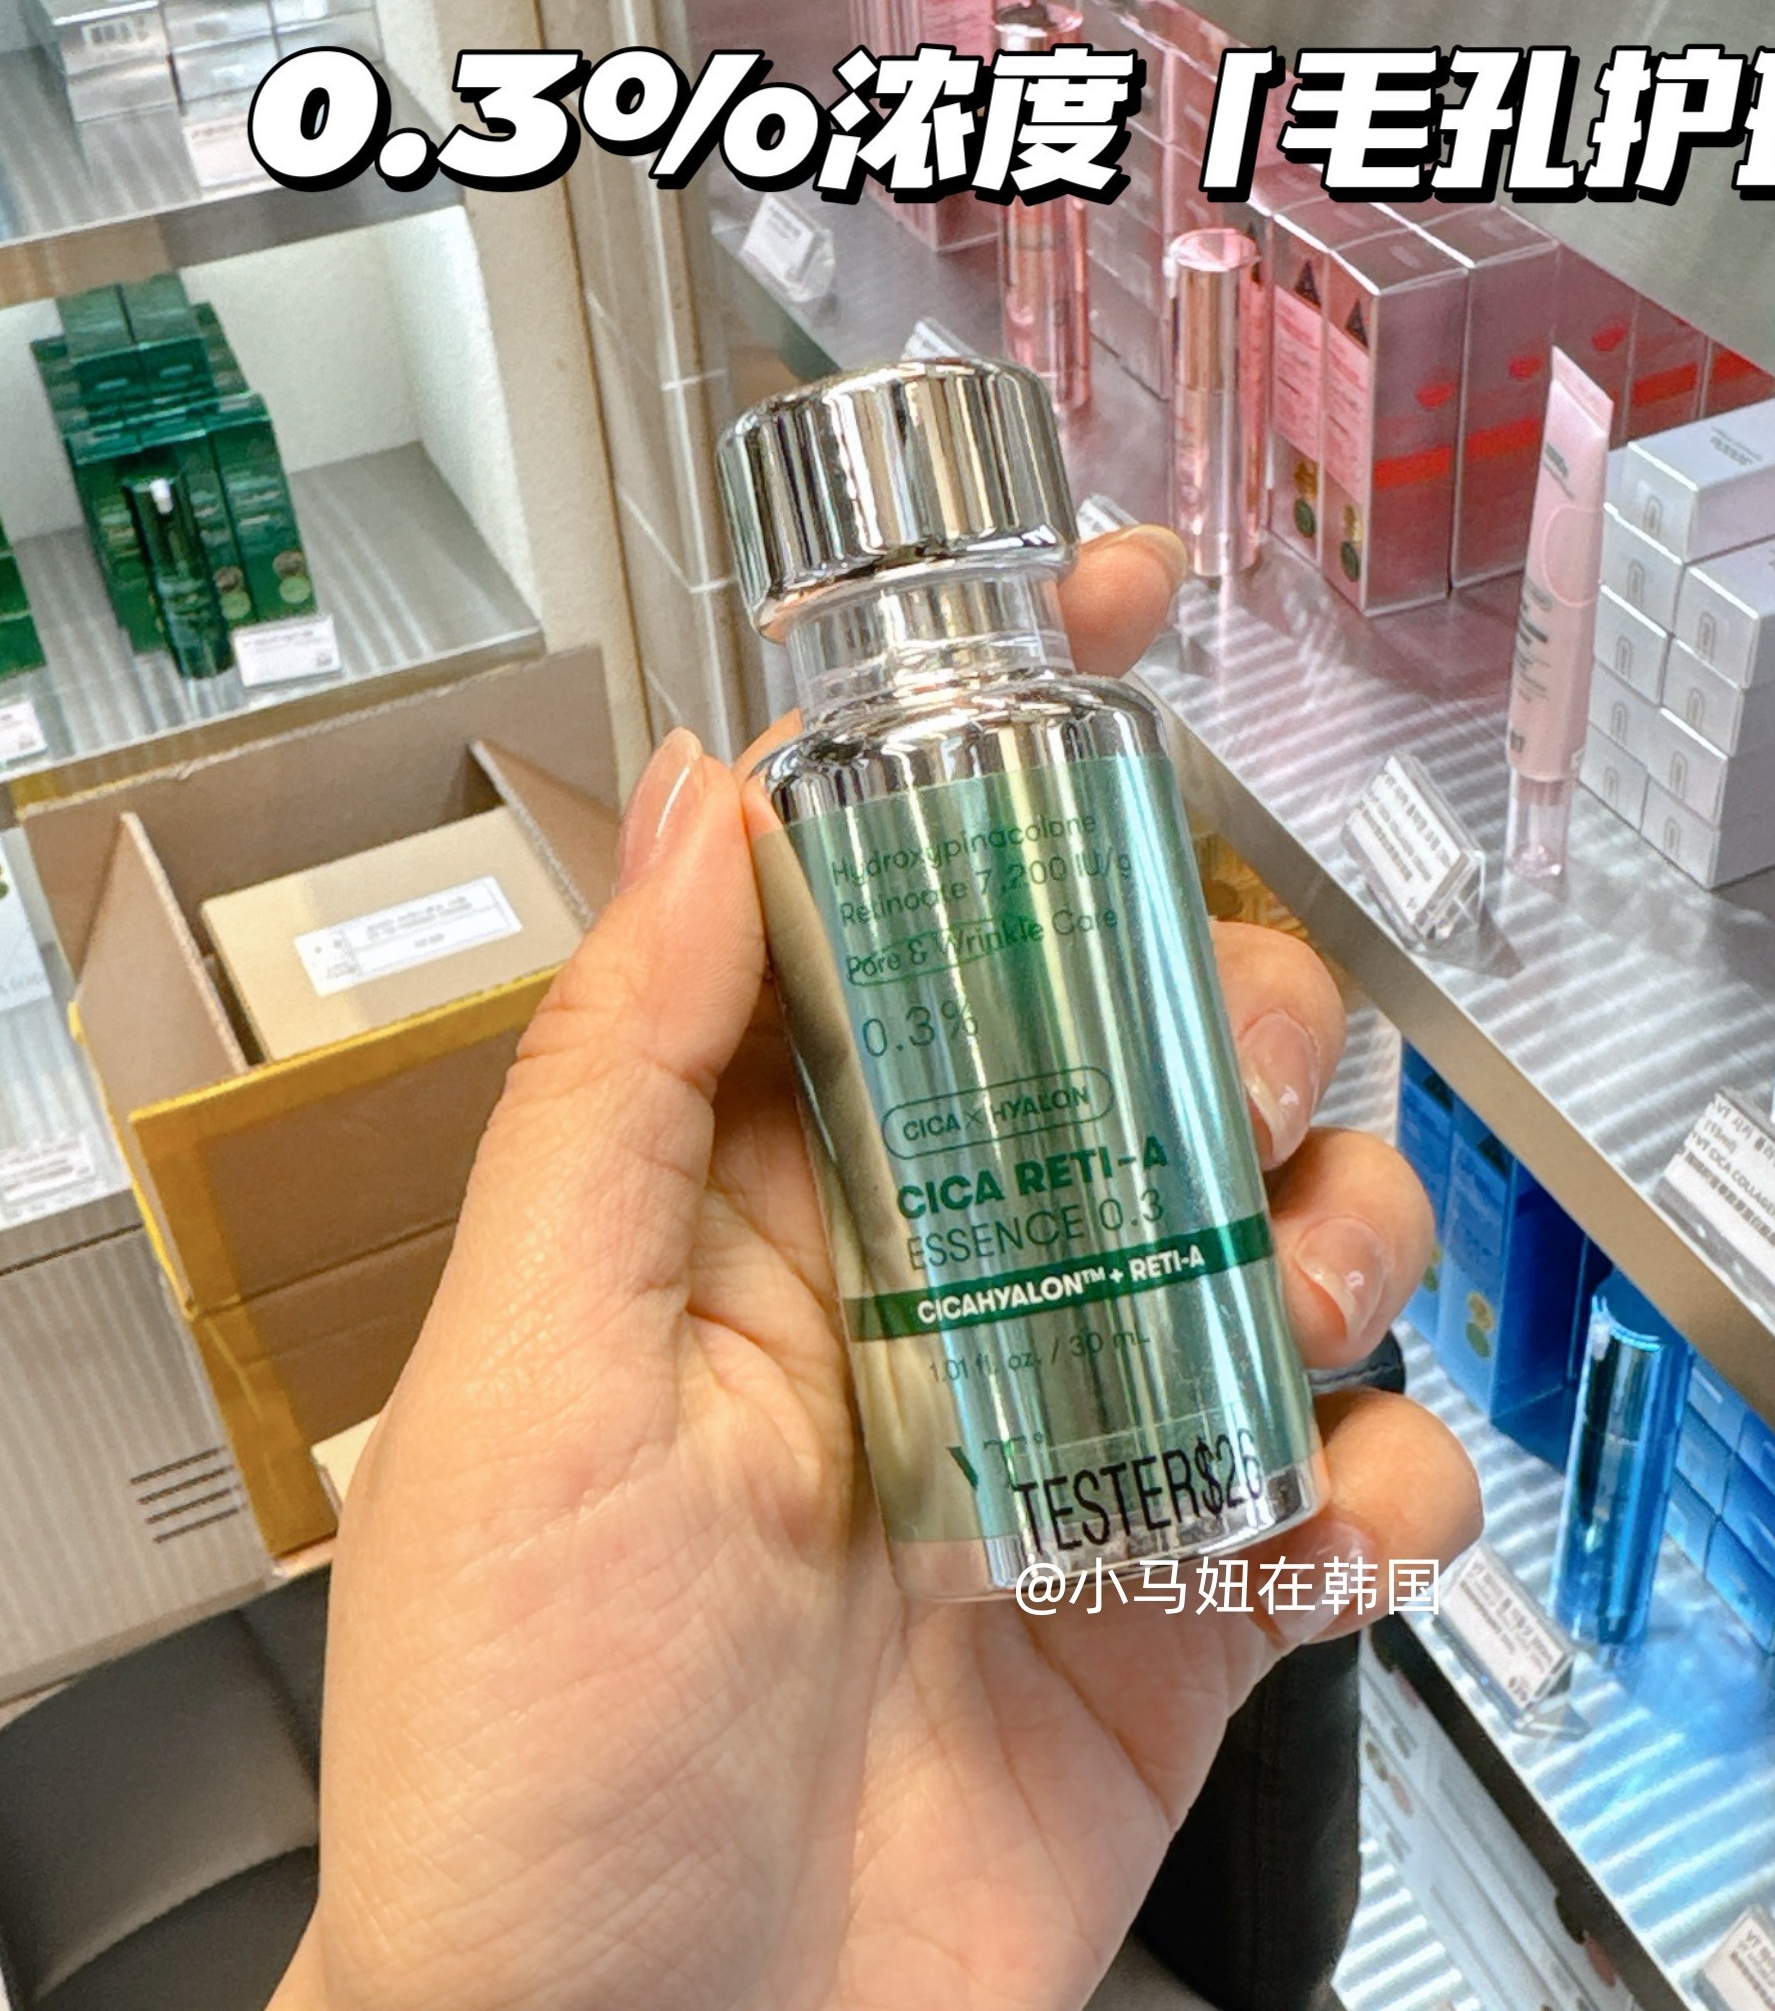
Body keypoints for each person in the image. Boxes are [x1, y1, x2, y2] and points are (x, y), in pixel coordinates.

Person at [267, 527, 1482, 2011]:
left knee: (1251, 1122)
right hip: (914, 1559)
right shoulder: (808, 798)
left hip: (1091, 1580)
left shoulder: (1086, 734)